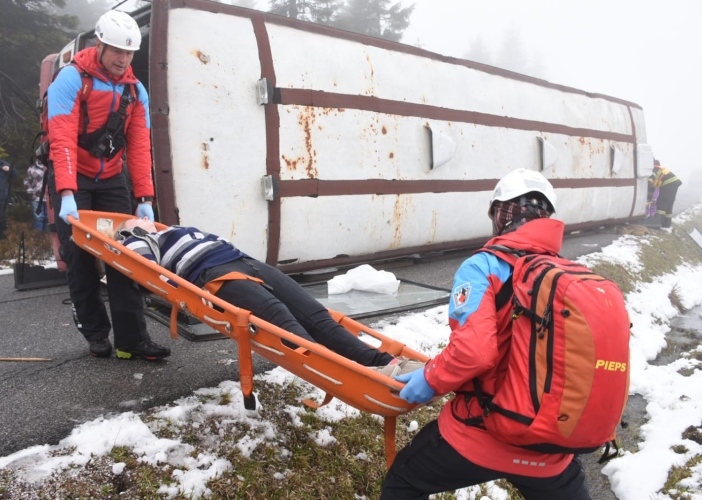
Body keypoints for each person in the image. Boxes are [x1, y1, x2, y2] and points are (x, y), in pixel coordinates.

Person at [380, 169, 591, 500]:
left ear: (499, 213)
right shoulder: (569, 275)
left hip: (483, 434)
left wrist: (431, 378)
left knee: (401, 484)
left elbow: (474, 353)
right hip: (552, 448)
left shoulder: (482, 267)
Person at [114, 218, 424, 372]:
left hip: (248, 262)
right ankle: (356, 374)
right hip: (216, 275)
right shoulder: (142, 240)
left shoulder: (176, 228)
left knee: (317, 317)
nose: (143, 217)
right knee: (286, 324)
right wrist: (132, 233)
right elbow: (146, 267)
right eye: (136, 221)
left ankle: (387, 363)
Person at [46, 11, 169, 360]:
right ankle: (96, 333)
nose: (123, 59)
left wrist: (144, 196)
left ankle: (132, 339)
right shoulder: (71, 79)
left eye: (129, 53)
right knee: (80, 257)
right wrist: (67, 193)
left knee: (125, 255)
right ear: (100, 45)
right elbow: (63, 138)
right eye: (116, 50)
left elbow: (140, 146)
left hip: (112, 177)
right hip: (74, 176)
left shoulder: (135, 90)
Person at [648, 159, 682, 229]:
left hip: (668, 183)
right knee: (669, 204)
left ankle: (656, 222)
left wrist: (647, 191)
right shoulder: (657, 168)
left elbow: (650, 180)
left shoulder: (653, 168)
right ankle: (666, 223)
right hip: (673, 182)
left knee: (662, 202)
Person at [23, 159, 49, 233]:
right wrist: (29, 189)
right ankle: (38, 236)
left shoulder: (51, 167)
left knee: (48, 217)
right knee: (39, 217)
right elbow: (27, 180)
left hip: (49, 197)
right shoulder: (32, 169)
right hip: (36, 196)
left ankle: (47, 236)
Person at [0, 159, 18, 240]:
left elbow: (15, 176)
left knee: (2, 217)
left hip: (2, 196)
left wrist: (9, 170)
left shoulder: (5, 164)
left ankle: (2, 237)